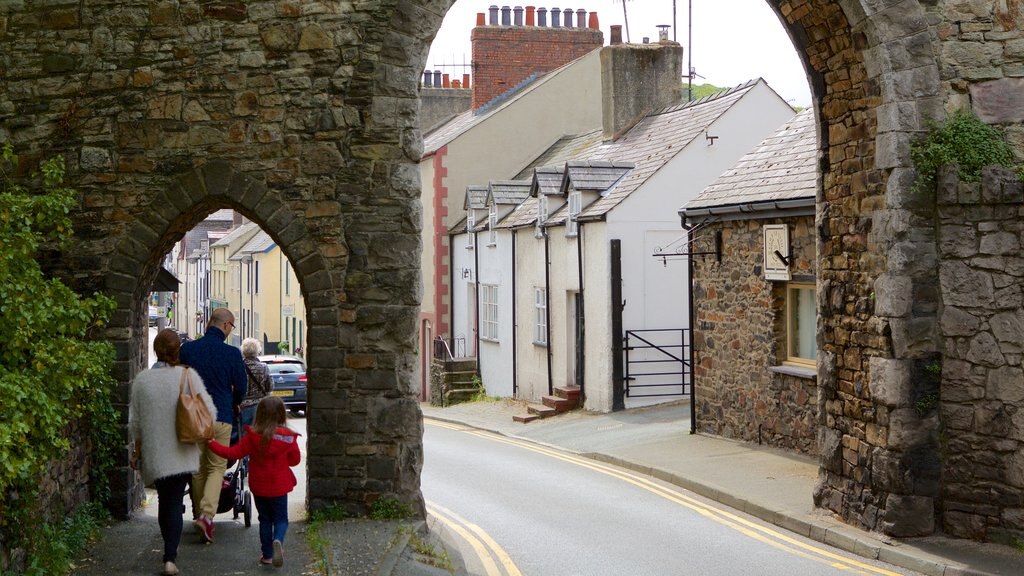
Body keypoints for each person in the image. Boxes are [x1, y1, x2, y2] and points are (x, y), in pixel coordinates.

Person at [129, 329, 217, 576]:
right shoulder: (187, 376)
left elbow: (135, 423)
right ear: (178, 349)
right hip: (183, 449)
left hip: (156, 452)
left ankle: (168, 554)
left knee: (166, 503)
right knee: (176, 500)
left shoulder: (142, 380)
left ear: (156, 350)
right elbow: (209, 411)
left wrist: (137, 452)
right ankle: (170, 558)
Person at [179, 307, 247, 543]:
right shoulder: (231, 353)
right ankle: (207, 516)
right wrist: (235, 403)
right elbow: (241, 387)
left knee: (197, 469)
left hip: (195, 417)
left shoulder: (188, 349)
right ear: (226, 325)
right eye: (232, 326)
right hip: (221, 416)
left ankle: (199, 514)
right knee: (217, 466)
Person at [208, 396, 301, 568]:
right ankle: (278, 540)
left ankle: (267, 555)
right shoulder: (288, 438)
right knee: (281, 519)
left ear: (259, 414)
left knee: (265, 519)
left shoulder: (252, 437)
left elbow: (232, 454)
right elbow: (295, 460)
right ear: (282, 415)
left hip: (259, 485)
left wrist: (211, 444)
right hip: (280, 485)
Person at [240, 337, 274, 428]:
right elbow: (270, 386)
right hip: (260, 406)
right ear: (257, 351)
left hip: (243, 406)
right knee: (260, 433)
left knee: (245, 434)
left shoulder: (239, 367)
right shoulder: (263, 367)